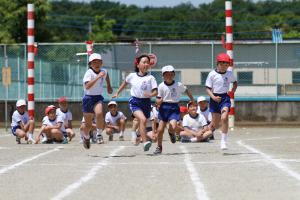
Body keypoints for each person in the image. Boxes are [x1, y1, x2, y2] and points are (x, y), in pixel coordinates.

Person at [113, 54, 157, 151]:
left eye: (147, 63)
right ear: (138, 65)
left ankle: (137, 134)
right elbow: (124, 83)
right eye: (144, 62)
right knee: (143, 119)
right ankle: (145, 142)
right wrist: (117, 93)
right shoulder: (132, 76)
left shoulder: (151, 78)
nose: (146, 64)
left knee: (143, 121)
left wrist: (150, 95)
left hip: (146, 102)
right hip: (135, 102)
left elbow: (155, 91)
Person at [154, 65, 194, 155]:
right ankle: (159, 147)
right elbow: (157, 98)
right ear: (163, 76)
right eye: (166, 74)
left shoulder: (178, 85)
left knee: (173, 125)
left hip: (174, 107)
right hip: (163, 108)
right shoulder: (161, 86)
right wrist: (158, 101)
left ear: (174, 74)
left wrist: (192, 99)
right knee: (160, 129)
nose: (169, 76)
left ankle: (171, 132)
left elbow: (186, 90)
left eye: (171, 74)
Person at [205, 52, 238, 150]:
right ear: (217, 63)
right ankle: (204, 132)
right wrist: (213, 97)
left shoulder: (229, 74)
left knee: (224, 118)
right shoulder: (212, 74)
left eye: (226, 64)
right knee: (214, 124)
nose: (224, 66)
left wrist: (233, 91)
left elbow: (235, 82)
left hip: (225, 98)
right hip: (214, 99)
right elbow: (207, 88)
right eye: (221, 63)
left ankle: (223, 141)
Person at [81, 53, 113, 149]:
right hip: (88, 98)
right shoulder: (89, 73)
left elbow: (106, 75)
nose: (96, 64)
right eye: (94, 62)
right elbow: (87, 86)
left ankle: (99, 134)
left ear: (101, 62)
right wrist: (98, 77)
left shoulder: (104, 71)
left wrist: (108, 85)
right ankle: (86, 137)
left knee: (99, 114)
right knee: (88, 125)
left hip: (97, 97)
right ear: (90, 64)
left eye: (98, 61)